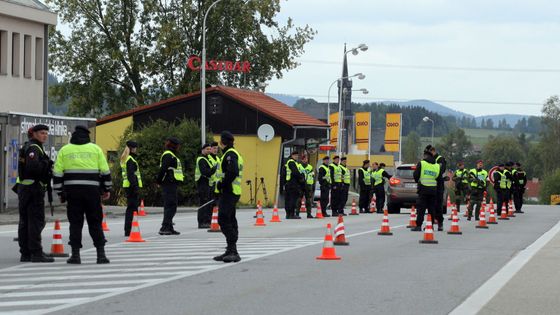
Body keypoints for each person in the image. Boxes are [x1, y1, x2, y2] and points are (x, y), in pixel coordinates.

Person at [53, 125, 111, 264]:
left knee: (75, 223)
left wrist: (60, 192)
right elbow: (105, 171)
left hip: (73, 193)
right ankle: (101, 255)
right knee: (95, 222)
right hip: (92, 193)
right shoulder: (95, 149)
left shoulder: (65, 150)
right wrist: (106, 189)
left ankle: (75, 255)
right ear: (87, 135)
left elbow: (57, 173)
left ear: (73, 135)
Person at [17, 124, 54, 263]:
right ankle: (36, 253)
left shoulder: (27, 147)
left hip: (25, 189)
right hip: (33, 190)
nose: (45, 135)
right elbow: (33, 168)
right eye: (42, 133)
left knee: (25, 221)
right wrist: (47, 164)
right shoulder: (34, 148)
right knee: (35, 221)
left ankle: (25, 253)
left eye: (46, 133)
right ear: (34, 134)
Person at [213, 131, 244, 263]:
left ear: (222, 142)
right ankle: (230, 249)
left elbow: (232, 172)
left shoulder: (230, 154)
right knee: (230, 219)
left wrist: (221, 184)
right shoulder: (232, 153)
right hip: (231, 192)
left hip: (229, 191)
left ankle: (233, 250)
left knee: (223, 219)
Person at [156, 137, 184, 235]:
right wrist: (158, 182)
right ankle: (164, 227)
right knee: (171, 205)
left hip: (171, 183)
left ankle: (169, 227)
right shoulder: (168, 155)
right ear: (174, 145)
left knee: (171, 205)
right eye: (178, 145)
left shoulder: (172, 155)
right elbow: (163, 169)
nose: (179, 147)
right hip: (168, 183)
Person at [411, 148, 442, 231]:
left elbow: (416, 175)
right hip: (433, 190)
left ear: (425, 156)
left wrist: (418, 181)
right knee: (432, 208)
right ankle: (430, 225)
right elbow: (439, 178)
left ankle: (418, 226)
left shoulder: (422, 163)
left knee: (421, 208)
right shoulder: (437, 166)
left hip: (423, 189)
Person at [121, 140, 142, 237]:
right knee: (132, 209)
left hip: (128, 186)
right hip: (131, 186)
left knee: (131, 208)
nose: (136, 149)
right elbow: (131, 175)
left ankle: (129, 229)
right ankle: (129, 230)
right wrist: (135, 187)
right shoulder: (130, 159)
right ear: (132, 148)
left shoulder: (127, 158)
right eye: (135, 148)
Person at [195, 144, 216, 228]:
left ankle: (207, 221)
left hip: (207, 184)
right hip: (202, 183)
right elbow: (205, 172)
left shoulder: (207, 159)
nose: (209, 150)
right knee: (203, 203)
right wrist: (213, 170)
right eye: (207, 149)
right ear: (202, 150)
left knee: (207, 203)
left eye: (209, 149)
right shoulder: (201, 159)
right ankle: (202, 222)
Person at [429, 145, 447, 221]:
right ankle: (432, 221)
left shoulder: (440, 159)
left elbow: (441, 171)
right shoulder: (429, 160)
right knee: (431, 204)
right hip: (430, 185)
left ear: (433, 151)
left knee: (438, 204)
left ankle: (439, 222)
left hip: (439, 184)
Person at [283, 151, 302, 219]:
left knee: (289, 199)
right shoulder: (291, 162)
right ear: (292, 156)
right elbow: (295, 172)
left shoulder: (292, 162)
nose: (296, 156)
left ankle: (288, 214)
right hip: (292, 183)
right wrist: (301, 177)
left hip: (289, 183)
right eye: (295, 155)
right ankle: (291, 214)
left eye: (297, 155)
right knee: (292, 199)